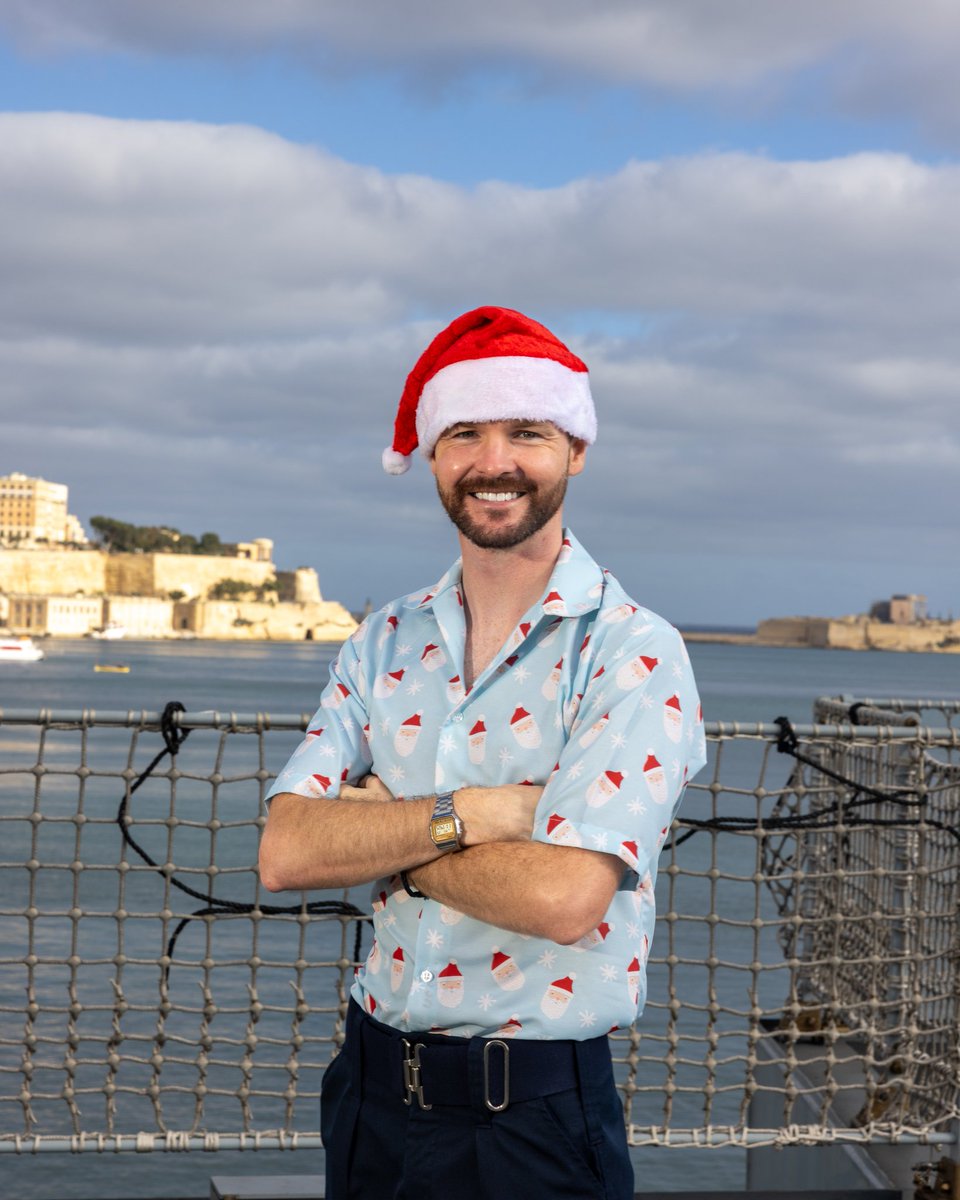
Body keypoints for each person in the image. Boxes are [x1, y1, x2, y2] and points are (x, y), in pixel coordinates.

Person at [260, 305, 706, 1199]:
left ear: (575, 449)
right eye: (465, 432)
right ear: (433, 453)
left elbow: (565, 897)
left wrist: (390, 845)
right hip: (369, 1099)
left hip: (532, 1126)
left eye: (526, 433)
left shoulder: (632, 652)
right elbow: (285, 852)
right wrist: (472, 816)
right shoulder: (382, 637)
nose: (493, 462)